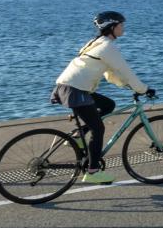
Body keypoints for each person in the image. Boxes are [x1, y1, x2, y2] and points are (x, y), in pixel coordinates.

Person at [52, 10, 155, 184]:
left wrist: (129, 86)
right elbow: (125, 71)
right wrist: (143, 89)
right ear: (112, 27)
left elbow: (109, 73)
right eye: (121, 25)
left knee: (108, 105)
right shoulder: (108, 47)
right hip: (76, 90)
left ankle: (78, 136)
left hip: (70, 86)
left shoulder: (96, 43)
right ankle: (92, 172)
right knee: (98, 129)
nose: (123, 28)